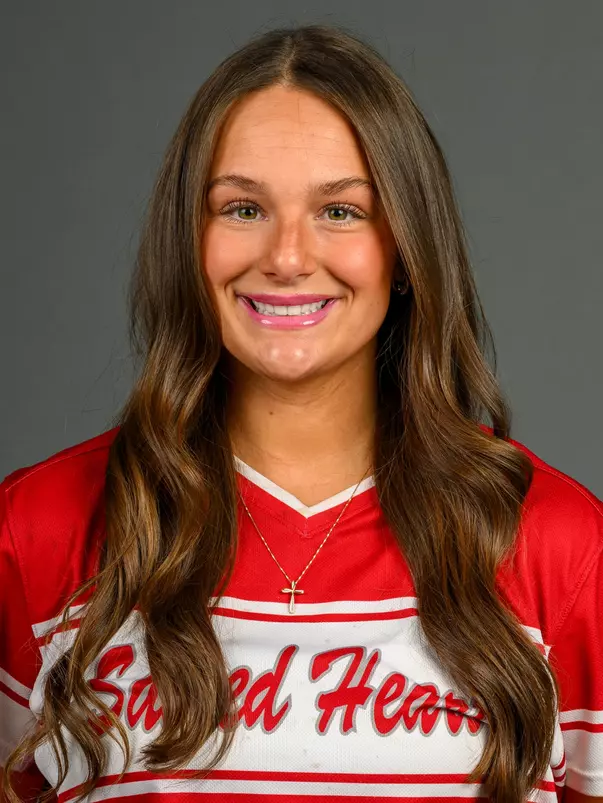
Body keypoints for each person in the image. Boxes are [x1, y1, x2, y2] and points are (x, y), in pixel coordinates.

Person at [1, 22, 601, 803]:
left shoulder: (559, 546)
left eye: (341, 211)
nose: (286, 257)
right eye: (242, 208)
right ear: (190, 239)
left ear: (406, 247)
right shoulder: (38, 531)